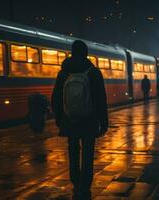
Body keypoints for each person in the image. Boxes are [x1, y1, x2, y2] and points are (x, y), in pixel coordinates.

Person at [51, 40, 108, 200]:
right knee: (88, 152)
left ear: (72, 52)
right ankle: (85, 185)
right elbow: (101, 99)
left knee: (73, 149)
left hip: (69, 119)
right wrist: (104, 122)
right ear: (86, 53)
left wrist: (59, 118)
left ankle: (75, 181)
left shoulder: (63, 72)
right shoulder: (94, 72)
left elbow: (56, 97)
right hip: (89, 120)